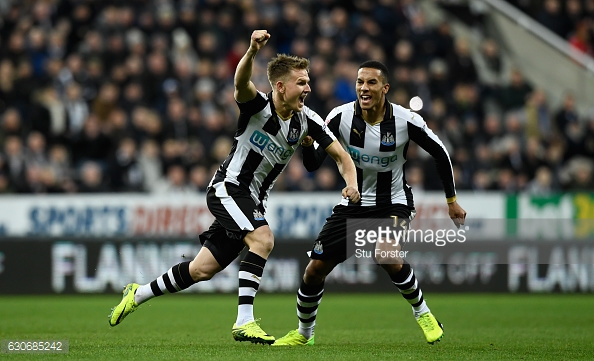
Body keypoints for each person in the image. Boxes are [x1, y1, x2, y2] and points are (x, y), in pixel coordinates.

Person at [108, 30, 361, 345]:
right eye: (302, 82)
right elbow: (241, 83)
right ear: (280, 86)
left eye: (308, 81)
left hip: (252, 199)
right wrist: (252, 51)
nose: (308, 87)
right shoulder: (257, 107)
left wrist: (351, 183)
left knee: (201, 269)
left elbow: (341, 156)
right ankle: (244, 321)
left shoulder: (307, 120)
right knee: (263, 238)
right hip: (228, 188)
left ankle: (138, 293)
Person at [273, 60, 467, 346]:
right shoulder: (340, 117)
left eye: (371, 83)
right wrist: (306, 144)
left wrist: (451, 201)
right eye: (360, 82)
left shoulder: (405, 120)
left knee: (386, 253)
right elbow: (314, 163)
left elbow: (440, 153)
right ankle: (304, 334)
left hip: (395, 203)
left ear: (385, 88)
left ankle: (423, 313)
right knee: (314, 269)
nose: (364, 88)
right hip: (354, 203)